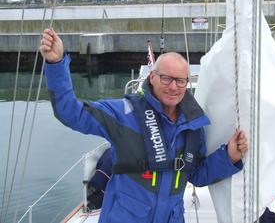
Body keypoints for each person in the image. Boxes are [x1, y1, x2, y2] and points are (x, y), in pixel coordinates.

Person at [40, 28, 248, 223]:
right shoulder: (123, 114)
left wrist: (228, 156)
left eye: (180, 81)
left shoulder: (193, 126)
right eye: (166, 79)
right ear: (152, 77)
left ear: (187, 82)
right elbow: (70, 112)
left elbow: (198, 175)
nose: (173, 87)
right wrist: (56, 63)